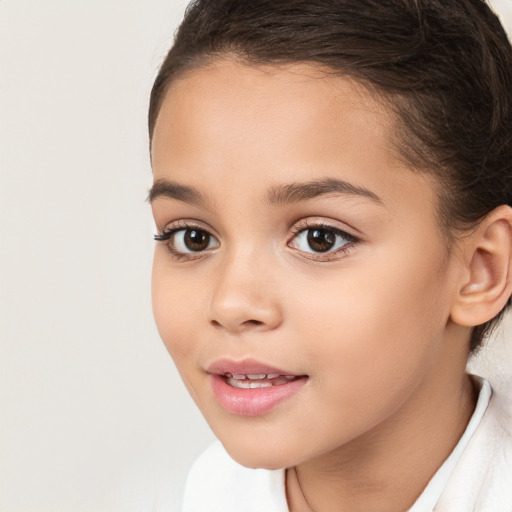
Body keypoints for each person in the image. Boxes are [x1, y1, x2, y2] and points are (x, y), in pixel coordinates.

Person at [147, 1, 512, 510]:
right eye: (193, 237)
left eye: (320, 238)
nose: (231, 303)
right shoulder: (214, 489)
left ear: (480, 270)